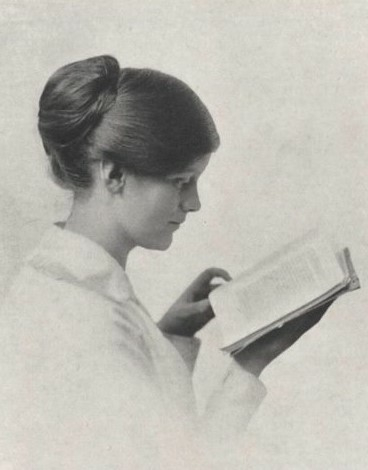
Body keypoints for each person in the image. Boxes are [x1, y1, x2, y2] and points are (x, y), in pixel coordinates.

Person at [0, 55, 332, 470]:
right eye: (180, 182)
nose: (193, 203)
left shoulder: (64, 284)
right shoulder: (90, 325)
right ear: (115, 173)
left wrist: (167, 337)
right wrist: (250, 364)